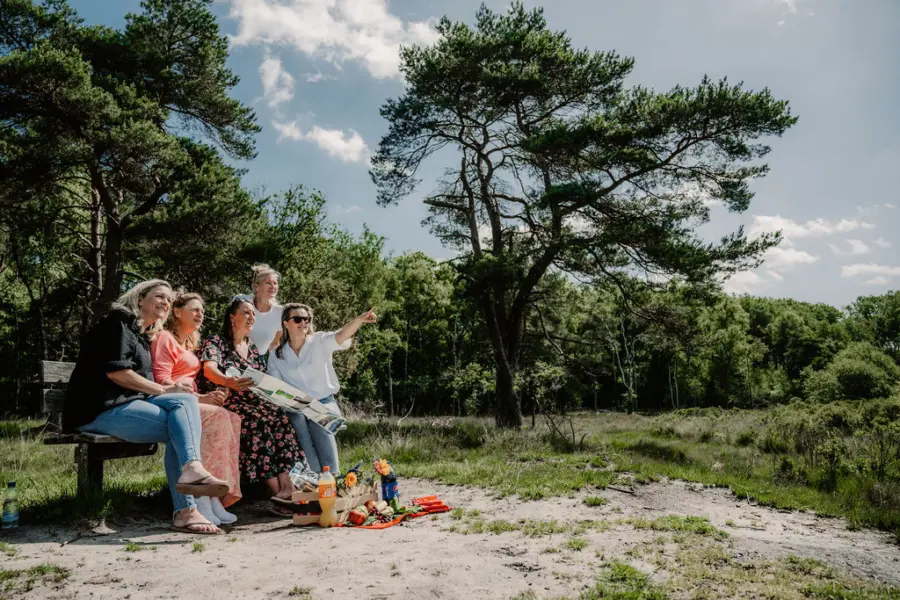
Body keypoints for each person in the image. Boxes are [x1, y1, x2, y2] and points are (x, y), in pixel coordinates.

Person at [63, 280, 228, 535]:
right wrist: (164, 390)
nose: (165, 302)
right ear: (140, 299)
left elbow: (144, 382)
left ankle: (191, 473)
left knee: (184, 402)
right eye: (159, 296)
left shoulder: (142, 335)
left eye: (168, 299)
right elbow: (118, 374)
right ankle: (185, 509)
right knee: (179, 425)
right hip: (98, 410)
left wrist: (177, 389)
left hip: (127, 404)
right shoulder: (118, 323)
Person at [196, 298, 303, 513]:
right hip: (227, 398)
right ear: (232, 317)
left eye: (253, 314)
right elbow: (209, 369)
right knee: (259, 423)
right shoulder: (216, 341)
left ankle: (287, 488)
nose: (251, 317)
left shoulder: (252, 348)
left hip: (253, 399)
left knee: (280, 419)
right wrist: (228, 382)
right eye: (246, 313)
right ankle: (276, 493)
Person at [151, 292, 241, 526]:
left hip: (189, 401)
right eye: (194, 309)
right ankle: (199, 496)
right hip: (172, 403)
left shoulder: (189, 346)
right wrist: (203, 398)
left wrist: (210, 397)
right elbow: (162, 381)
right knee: (218, 418)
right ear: (177, 312)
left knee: (231, 418)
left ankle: (214, 496)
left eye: (202, 310)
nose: (200, 314)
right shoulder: (164, 338)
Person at [267, 304, 376, 474]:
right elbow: (275, 386)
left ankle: (332, 475)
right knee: (298, 421)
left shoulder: (319, 341)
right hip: (296, 405)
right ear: (286, 323)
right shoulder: (277, 354)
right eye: (297, 319)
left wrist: (360, 320)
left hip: (324, 401)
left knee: (320, 422)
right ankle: (317, 475)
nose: (303, 323)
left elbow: (341, 335)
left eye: (306, 319)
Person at [233, 264, 282, 356]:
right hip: (233, 353)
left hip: (257, 363)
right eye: (268, 283)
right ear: (256, 286)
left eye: (275, 283)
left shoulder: (279, 313)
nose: (273, 286)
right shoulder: (241, 301)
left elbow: (275, 344)